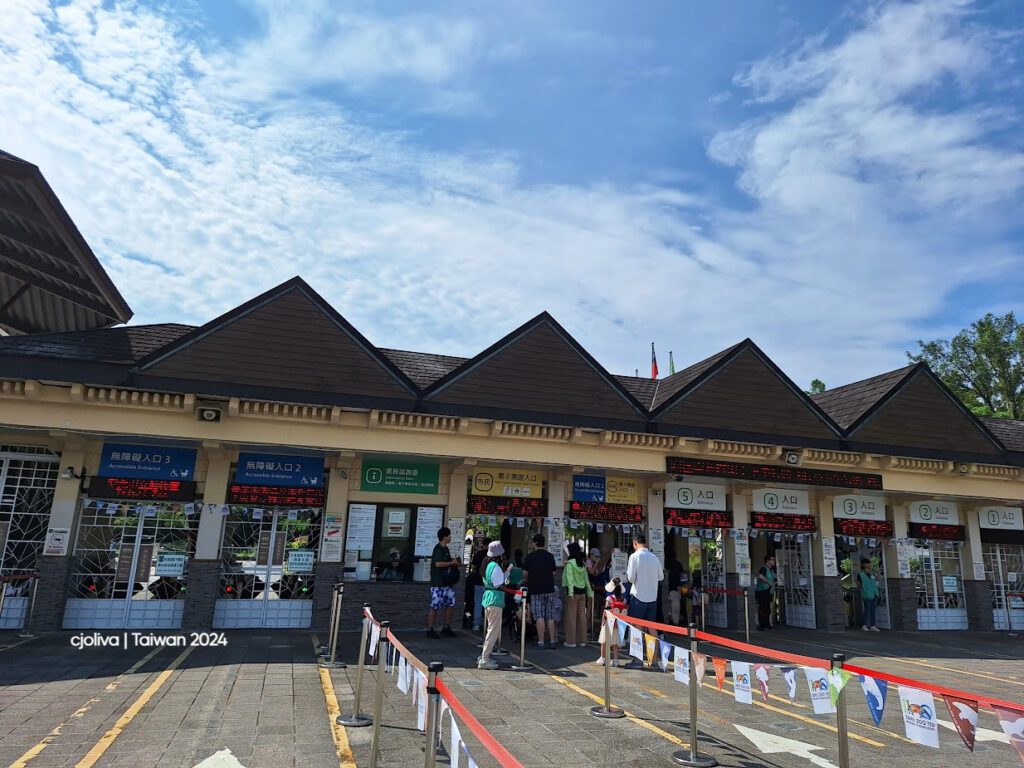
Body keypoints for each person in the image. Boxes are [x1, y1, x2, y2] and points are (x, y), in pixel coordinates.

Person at [523, 533, 558, 648]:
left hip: (536, 590)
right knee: (550, 616)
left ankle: (541, 642)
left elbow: (525, 574)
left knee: (539, 616)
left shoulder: (530, 557)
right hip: (550, 589)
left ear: (536, 543)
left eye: (533, 541)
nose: (532, 543)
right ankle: (552, 641)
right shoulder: (550, 556)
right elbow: (553, 573)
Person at [426, 527, 460, 638]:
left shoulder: (446, 549)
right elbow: (438, 564)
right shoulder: (438, 548)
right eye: (449, 535)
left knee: (450, 604)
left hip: (447, 583)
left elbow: (447, 561)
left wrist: (454, 561)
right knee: (434, 606)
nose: (450, 537)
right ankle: (430, 629)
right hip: (438, 583)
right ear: (445, 536)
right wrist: (451, 563)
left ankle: (446, 626)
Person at [478, 540, 506, 669]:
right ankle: (485, 658)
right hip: (495, 599)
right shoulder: (495, 566)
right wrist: (507, 574)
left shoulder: (487, 565)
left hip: (488, 597)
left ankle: (484, 656)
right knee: (493, 630)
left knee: (490, 628)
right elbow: (498, 583)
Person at [625, 532, 663, 622]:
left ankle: (639, 637)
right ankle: (654, 637)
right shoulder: (655, 557)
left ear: (635, 543)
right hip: (652, 598)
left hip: (638, 597)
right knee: (651, 626)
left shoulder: (634, 556)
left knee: (637, 626)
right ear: (645, 543)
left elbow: (630, 578)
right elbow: (661, 577)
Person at [562, 542, 593, 647]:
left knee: (571, 616)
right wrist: (590, 593)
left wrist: (570, 593)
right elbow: (586, 580)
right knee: (581, 616)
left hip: (573, 593)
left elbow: (570, 578)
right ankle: (582, 640)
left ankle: (571, 641)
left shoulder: (570, 563)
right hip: (583, 593)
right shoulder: (582, 563)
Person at [595, 578, 628, 666]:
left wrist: (603, 622)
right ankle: (616, 659)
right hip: (618, 624)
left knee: (604, 641)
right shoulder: (623, 600)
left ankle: (603, 658)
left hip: (609, 624)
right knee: (616, 643)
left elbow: (606, 611)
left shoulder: (609, 598)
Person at [468, 537, 491, 631]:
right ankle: (489, 624)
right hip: (489, 583)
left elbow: (473, 566)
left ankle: (476, 624)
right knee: (489, 604)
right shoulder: (493, 556)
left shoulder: (479, 554)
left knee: (478, 603)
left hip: (478, 581)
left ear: (484, 544)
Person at [857, 557, 881, 632]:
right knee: (867, 609)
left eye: (869, 563)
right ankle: (864, 625)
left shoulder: (872, 573)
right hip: (866, 593)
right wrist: (863, 589)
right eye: (868, 563)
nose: (869, 565)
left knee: (873, 610)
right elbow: (858, 584)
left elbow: (878, 579)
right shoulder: (860, 574)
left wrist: (878, 574)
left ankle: (872, 625)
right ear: (863, 565)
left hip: (874, 593)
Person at [755, 553, 776, 631]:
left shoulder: (771, 570)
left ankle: (767, 624)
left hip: (768, 591)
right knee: (763, 608)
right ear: (768, 561)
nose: (774, 561)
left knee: (767, 608)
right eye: (772, 560)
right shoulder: (764, 568)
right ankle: (762, 625)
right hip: (762, 591)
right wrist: (768, 582)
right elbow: (760, 576)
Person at [666, 549, 685, 625]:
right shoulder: (679, 564)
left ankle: (668, 623)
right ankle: (676, 624)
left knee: (667, 608)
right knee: (676, 609)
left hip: (666, 589)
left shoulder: (666, 564)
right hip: (677, 589)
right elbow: (683, 577)